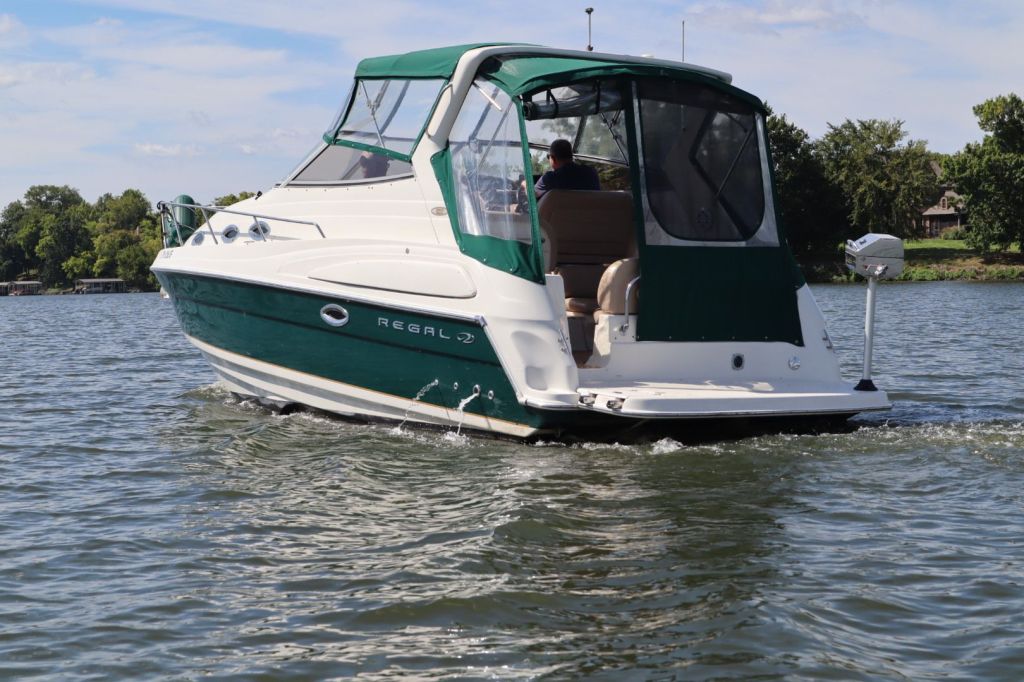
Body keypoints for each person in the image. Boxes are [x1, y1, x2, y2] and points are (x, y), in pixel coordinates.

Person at [533, 139, 600, 199]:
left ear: (553, 159)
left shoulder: (550, 178)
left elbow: (532, 194)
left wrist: (525, 185)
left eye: (548, 157)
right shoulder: (591, 173)